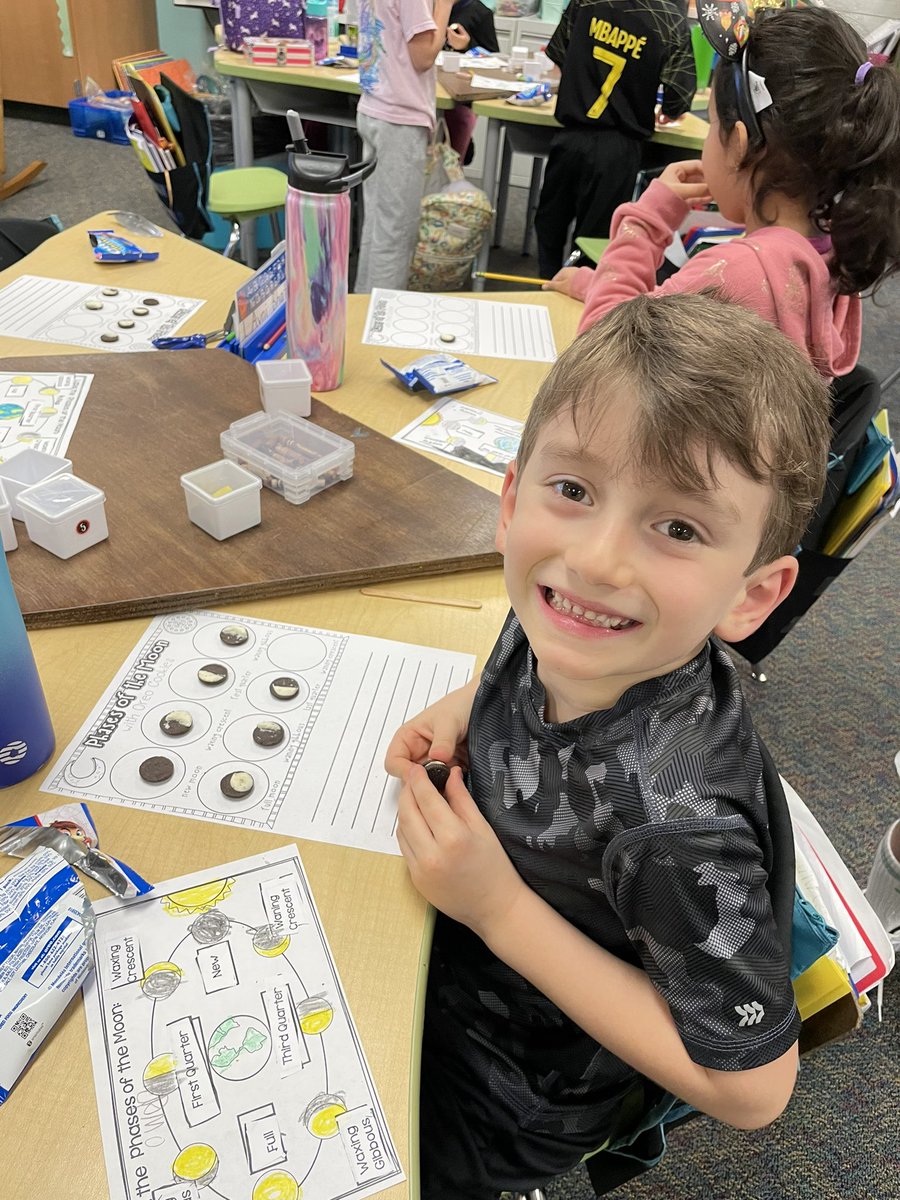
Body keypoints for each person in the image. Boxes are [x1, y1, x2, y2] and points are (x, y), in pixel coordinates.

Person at [386, 291, 834, 1200]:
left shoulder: (670, 828)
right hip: (445, 952)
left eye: (678, 527)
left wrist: (497, 908)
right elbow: (524, 646)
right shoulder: (573, 622)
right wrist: (468, 705)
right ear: (513, 500)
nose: (595, 559)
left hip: (504, 1096)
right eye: (574, 491)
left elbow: (755, 1093)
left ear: (752, 595)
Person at [546, 6, 900, 378]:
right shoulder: (834, 251)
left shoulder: (735, 275)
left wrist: (648, 219)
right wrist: (597, 285)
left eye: (713, 123)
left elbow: (602, 357)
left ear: (740, 145)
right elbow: (674, 321)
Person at [534, 0, 695, 279]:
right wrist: (669, 111)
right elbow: (679, 95)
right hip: (619, 149)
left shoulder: (586, 1)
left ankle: (545, 283)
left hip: (570, 136)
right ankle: (577, 301)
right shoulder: (669, 18)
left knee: (550, 223)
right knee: (592, 242)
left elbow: (559, 52)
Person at [355, 0, 453, 292]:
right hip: (399, 120)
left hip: (375, 108)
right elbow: (422, 57)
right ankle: (381, 322)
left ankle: (364, 308)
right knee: (395, 233)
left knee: (376, 224)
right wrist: (445, 6)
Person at [442, 0, 499, 163]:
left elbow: (494, 63)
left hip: (461, 103)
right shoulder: (427, 9)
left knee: (450, 167)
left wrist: (467, 46)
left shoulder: (479, 13)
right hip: (426, 97)